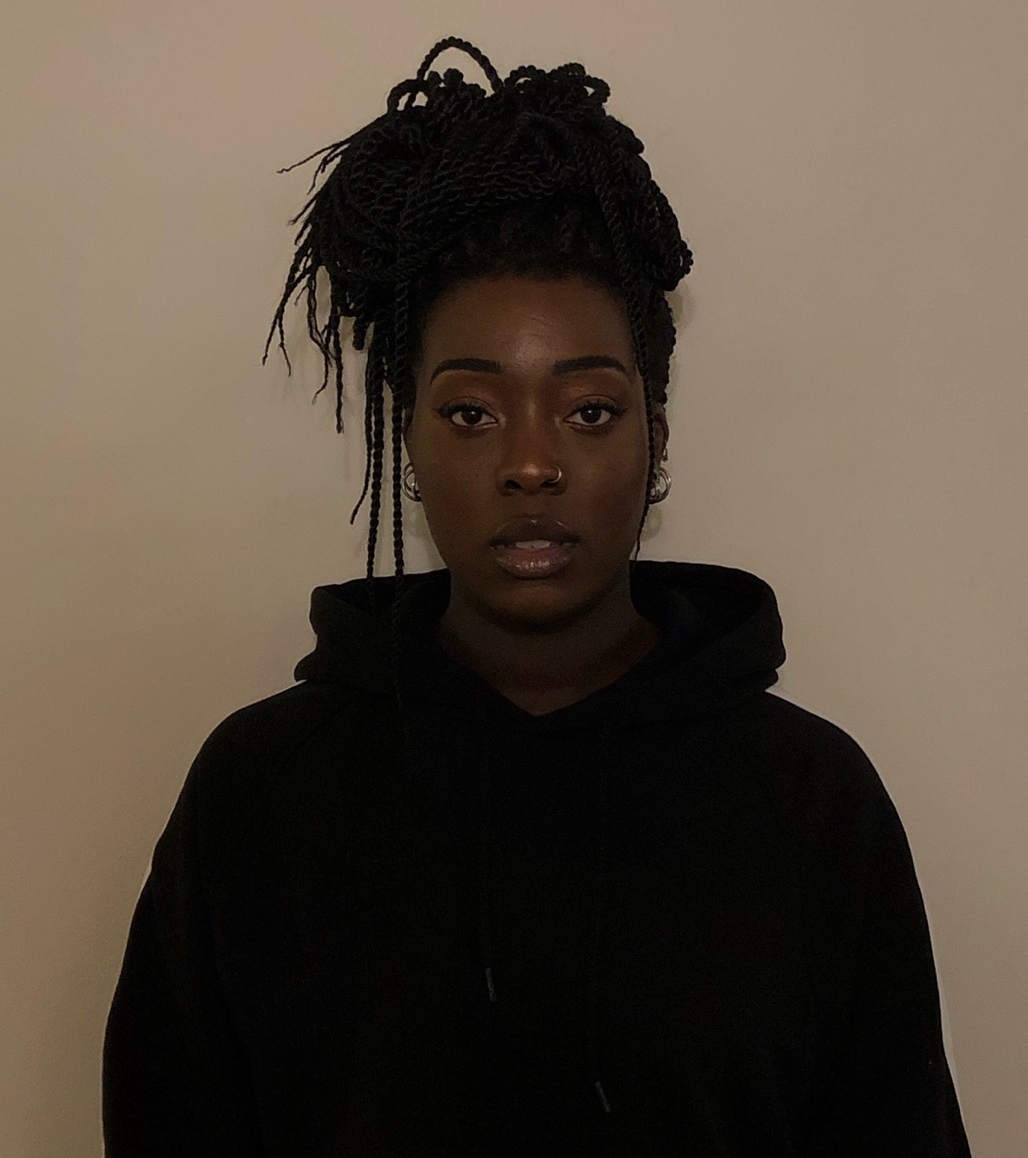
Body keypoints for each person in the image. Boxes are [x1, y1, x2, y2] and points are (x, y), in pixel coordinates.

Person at [102, 37, 971, 1156]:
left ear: (656, 436)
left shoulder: (810, 802)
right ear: (408, 442)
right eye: (472, 413)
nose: (529, 463)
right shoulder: (262, 793)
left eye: (589, 411)